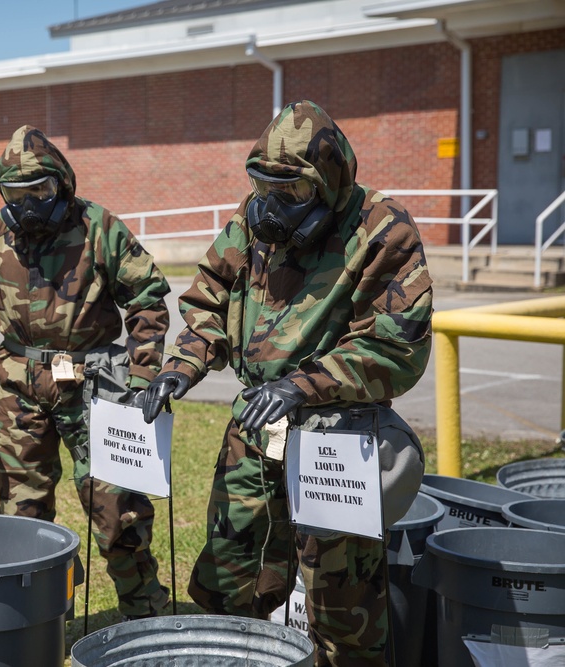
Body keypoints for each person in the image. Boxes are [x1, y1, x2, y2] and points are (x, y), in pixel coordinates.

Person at [142, 101, 432, 665]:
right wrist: (182, 366)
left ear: (328, 183)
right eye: (261, 187)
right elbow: (208, 301)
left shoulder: (381, 229)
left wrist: (305, 384)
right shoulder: (255, 220)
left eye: (289, 193)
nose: (269, 208)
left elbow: (397, 346)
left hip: (335, 441)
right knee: (231, 579)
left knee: (340, 605)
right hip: (254, 432)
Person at [0, 124, 172, 620]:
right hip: (20, 390)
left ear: (62, 183)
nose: (29, 206)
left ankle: (146, 616)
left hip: (99, 387)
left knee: (118, 510)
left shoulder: (98, 227)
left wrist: (140, 381)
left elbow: (148, 299)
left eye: (41, 192)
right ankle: (38, 618)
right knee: (21, 516)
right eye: (16, 195)